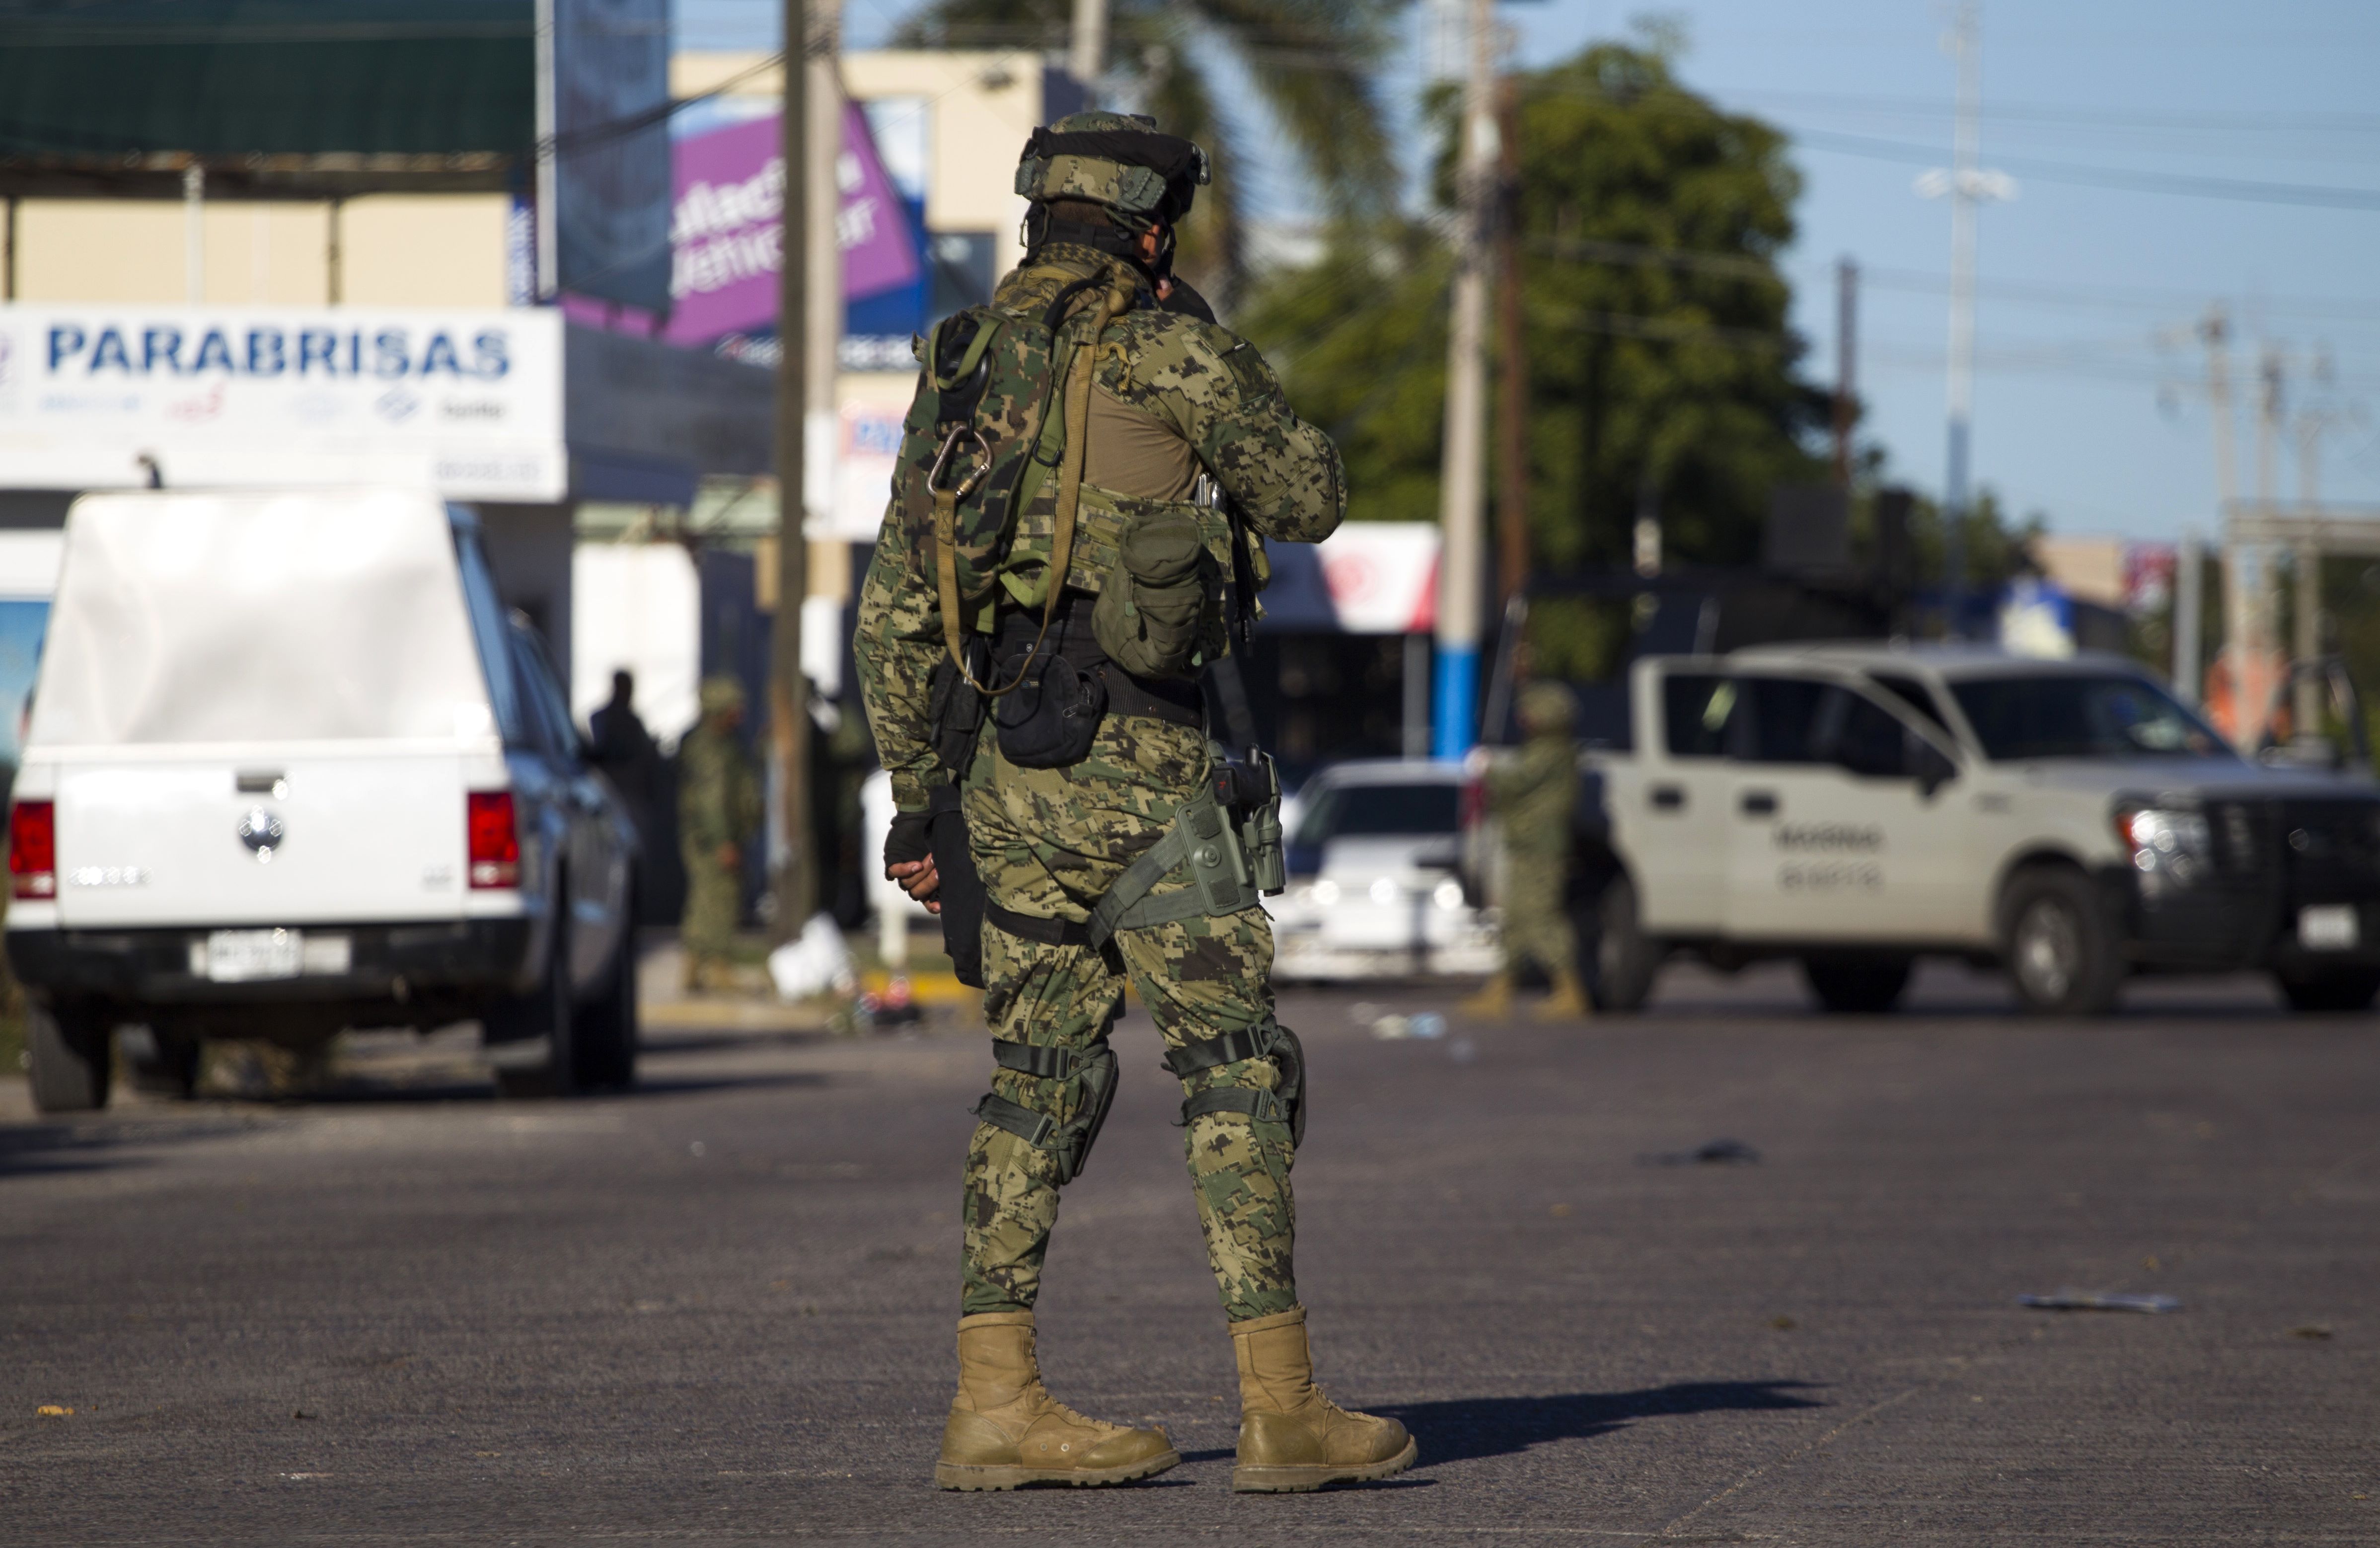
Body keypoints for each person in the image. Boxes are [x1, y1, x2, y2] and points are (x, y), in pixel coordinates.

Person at [854, 112, 1416, 1494]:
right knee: (1233, 1065)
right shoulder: (1169, 348)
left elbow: (892, 610)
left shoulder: (961, 366)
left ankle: (994, 1403)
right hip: (1153, 771)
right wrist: (1218, 363)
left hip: (1002, 777)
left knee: (1039, 1073)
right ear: (1152, 230)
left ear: (1044, 218)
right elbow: (1313, 494)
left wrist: (923, 811)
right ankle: (1281, 1410)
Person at [1461, 681, 1590, 1021]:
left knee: (1541, 916)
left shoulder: (1552, 752)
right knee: (1516, 918)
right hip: (1525, 844)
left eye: (1531, 712)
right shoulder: (1543, 750)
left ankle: (1570, 991)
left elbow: (1517, 782)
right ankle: (1500, 990)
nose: (1524, 718)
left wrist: (1487, 770)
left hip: (1541, 847)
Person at [677, 676, 761, 993]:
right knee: (718, 899)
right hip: (713, 839)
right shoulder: (711, 747)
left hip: (711, 837)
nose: (739, 715)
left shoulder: (720, 742)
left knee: (706, 899)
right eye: (733, 709)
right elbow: (714, 799)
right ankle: (716, 966)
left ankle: (696, 966)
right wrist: (723, 841)